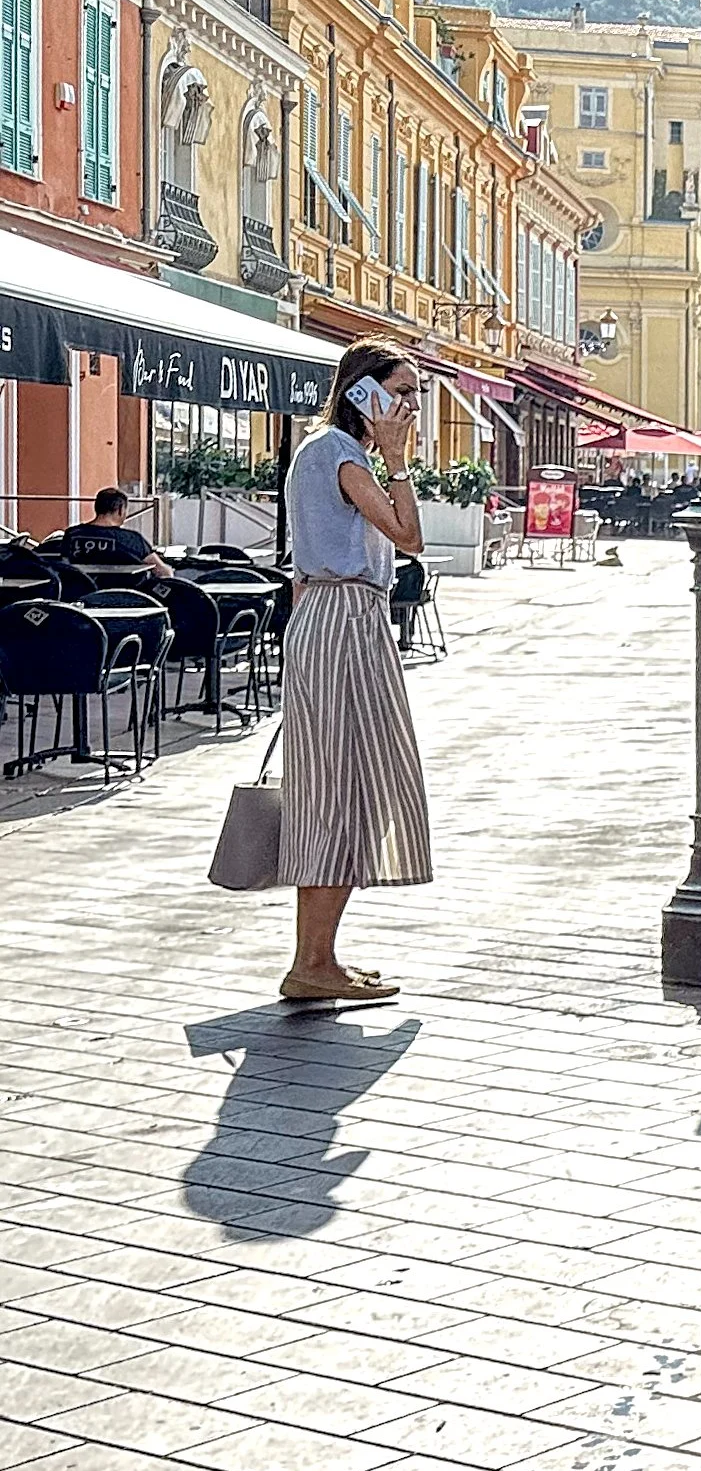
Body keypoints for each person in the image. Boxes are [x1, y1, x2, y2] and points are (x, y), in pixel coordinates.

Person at [276, 340, 430, 1006]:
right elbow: (409, 535)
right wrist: (397, 462)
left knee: (345, 786)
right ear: (362, 392)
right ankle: (312, 963)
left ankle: (320, 957)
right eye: (402, 390)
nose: (412, 404)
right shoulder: (340, 454)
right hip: (343, 621)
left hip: (334, 619)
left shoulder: (327, 453)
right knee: (339, 791)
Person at [55, 487, 170, 580]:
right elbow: (163, 571)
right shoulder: (133, 540)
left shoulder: (72, 534)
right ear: (120, 510)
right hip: (127, 600)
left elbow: (65, 566)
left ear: (97, 508)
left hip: (81, 597)